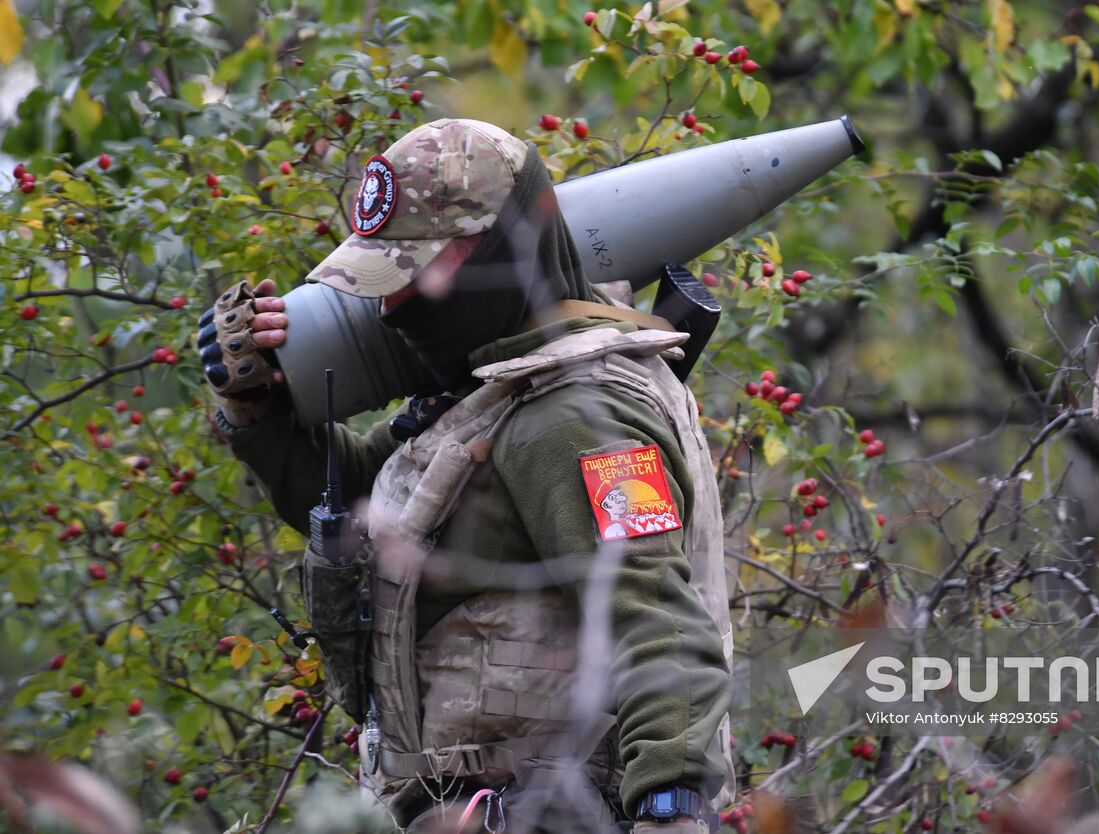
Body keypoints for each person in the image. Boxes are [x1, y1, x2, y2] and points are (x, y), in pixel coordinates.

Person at [198, 119, 732, 833]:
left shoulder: (572, 412)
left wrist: (671, 811)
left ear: (495, 251)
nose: (389, 307)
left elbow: (658, 624)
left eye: (411, 273)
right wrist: (258, 409)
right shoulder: (496, 391)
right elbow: (369, 504)